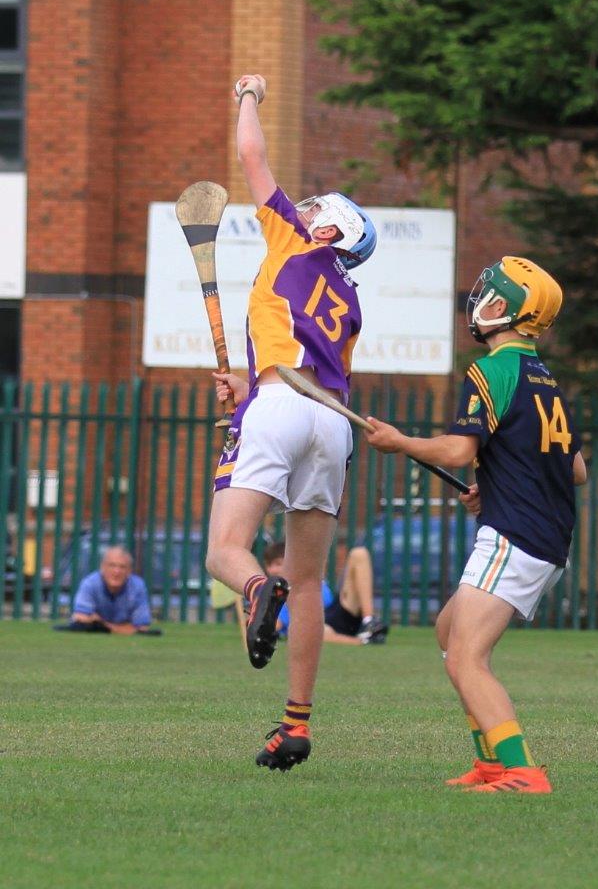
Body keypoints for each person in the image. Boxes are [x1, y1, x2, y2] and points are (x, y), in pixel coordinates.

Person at [205, 73, 377, 771]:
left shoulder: (295, 243)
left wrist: (247, 92)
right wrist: (244, 386)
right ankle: (295, 725)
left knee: (226, 551)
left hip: (281, 406)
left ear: (328, 229)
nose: (299, 207)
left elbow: (251, 157)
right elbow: (308, 368)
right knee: (308, 582)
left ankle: (252, 589)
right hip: (327, 423)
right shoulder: (350, 300)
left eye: (314, 208)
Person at [365, 256, 587, 794]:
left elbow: (459, 451)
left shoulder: (491, 371)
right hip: (540, 534)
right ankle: (489, 765)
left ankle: (523, 772)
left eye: (487, 293)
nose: (477, 300)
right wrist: (496, 483)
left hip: (517, 535)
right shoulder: (544, 379)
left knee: (467, 657)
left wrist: (401, 442)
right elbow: (575, 469)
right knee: (449, 632)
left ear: (501, 308)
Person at [262, 540, 388, 645]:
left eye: (279, 564)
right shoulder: (268, 593)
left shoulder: (306, 581)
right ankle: (364, 641)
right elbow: (274, 627)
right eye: (269, 565)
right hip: (315, 628)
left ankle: (369, 621)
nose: (273, 569)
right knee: (311, 631)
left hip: (334, 617)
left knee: (359, 553)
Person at [55, 546, 155, 635]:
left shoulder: (137, 586)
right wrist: (125, 628)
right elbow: (80, 617)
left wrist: (102, 625)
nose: (117, 571)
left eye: (122, 567)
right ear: (102, 567)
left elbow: (142, 628)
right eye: (112, 565)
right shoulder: (90, 583)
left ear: (129, 571)